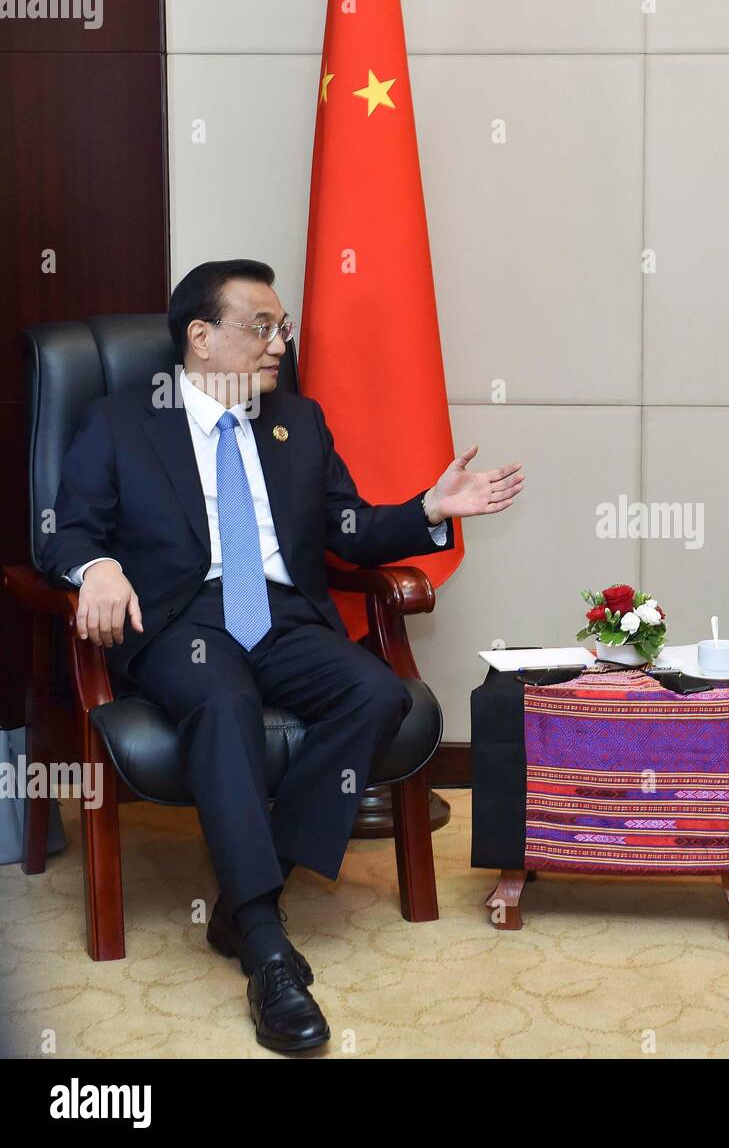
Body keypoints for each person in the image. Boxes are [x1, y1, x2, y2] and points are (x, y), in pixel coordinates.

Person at [40, 259, 525, 1053]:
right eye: (261, 327)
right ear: (200, 338)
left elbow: (347, 531)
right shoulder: (123, 421)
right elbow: (68, 528)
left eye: (283, 328)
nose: (279, 344)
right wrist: (96, 567)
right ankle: (266, 945)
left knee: (379, 695)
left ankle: (240, 900)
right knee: (223, 701)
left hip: (282, 617)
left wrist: (429, 510)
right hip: (179, 618)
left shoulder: (297, 421)